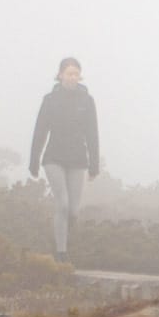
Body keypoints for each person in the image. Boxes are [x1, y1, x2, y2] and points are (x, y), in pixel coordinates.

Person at [27, 57, 100, 261]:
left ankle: (63, 236)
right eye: (69, 73)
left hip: (78, 159)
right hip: (54, 158)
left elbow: (92, 134)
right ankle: (61, 252)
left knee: (74, 211)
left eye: (76, 73)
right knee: (63, 204)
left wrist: (94, 165)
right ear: (60, 75)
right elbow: (40, 131)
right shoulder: (50, 100)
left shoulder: (87, 101)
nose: (73, 77)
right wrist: (34, 160)